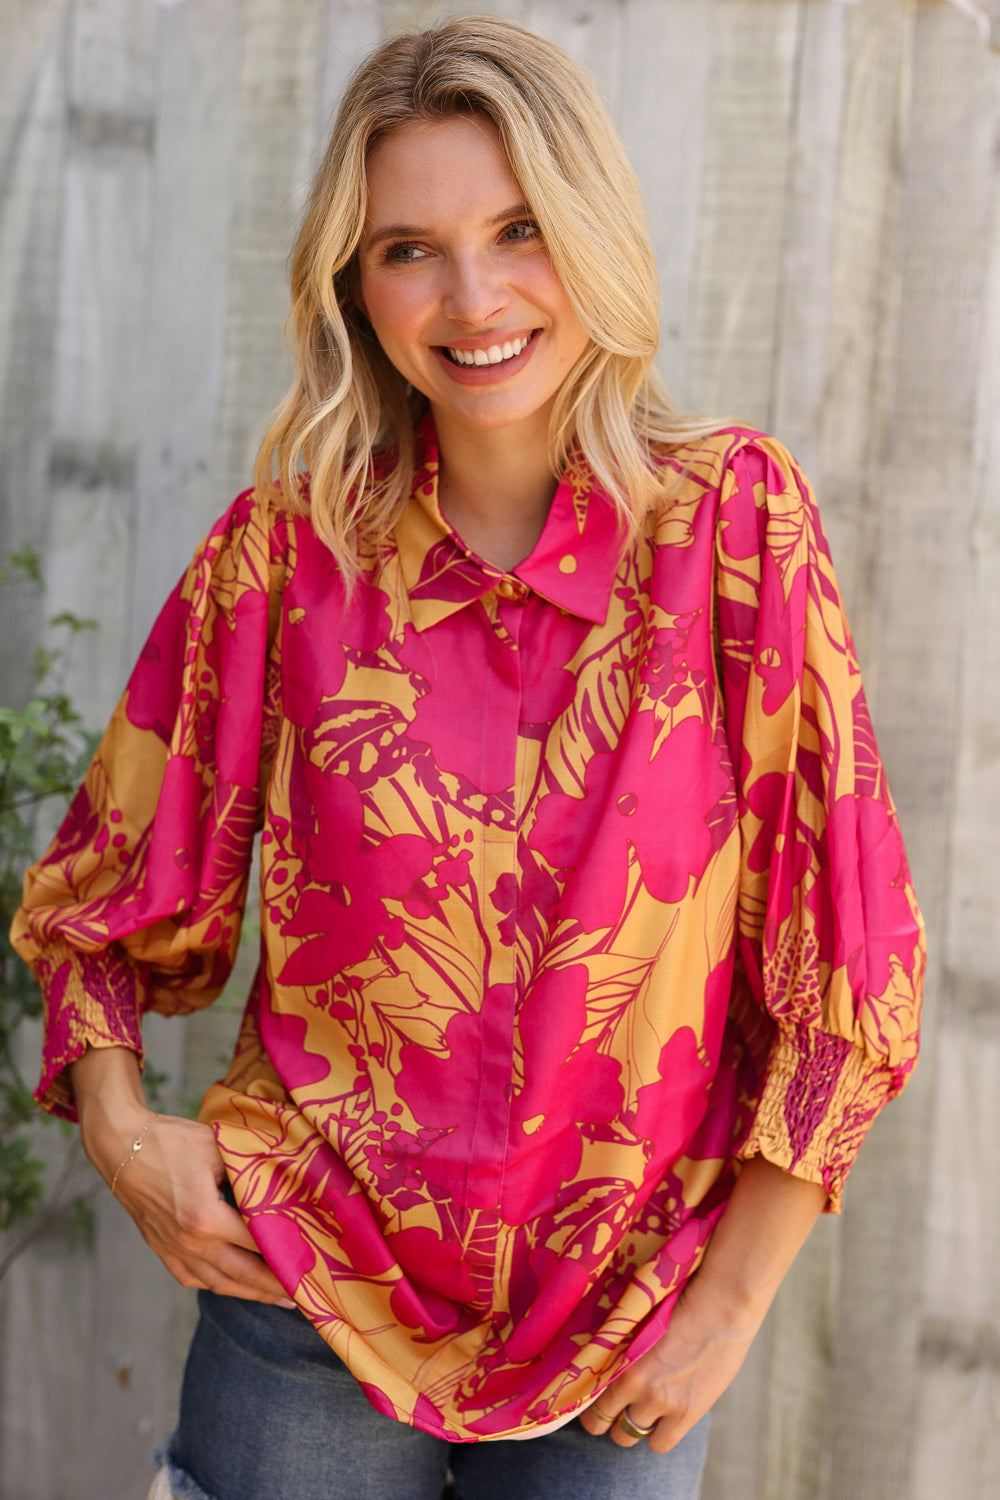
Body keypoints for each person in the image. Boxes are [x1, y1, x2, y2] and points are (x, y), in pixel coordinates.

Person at [11, 16, 925, 1500]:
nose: (476, 295)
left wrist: (734, 1304)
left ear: (591, 232)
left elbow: (851, 956)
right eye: (409, 249)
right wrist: (123, 1133)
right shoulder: (285, 555)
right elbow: (103, 897)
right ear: (354, 289)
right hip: (302, 1298)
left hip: (625, 1330)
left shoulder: (733, 535)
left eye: (518, 229)